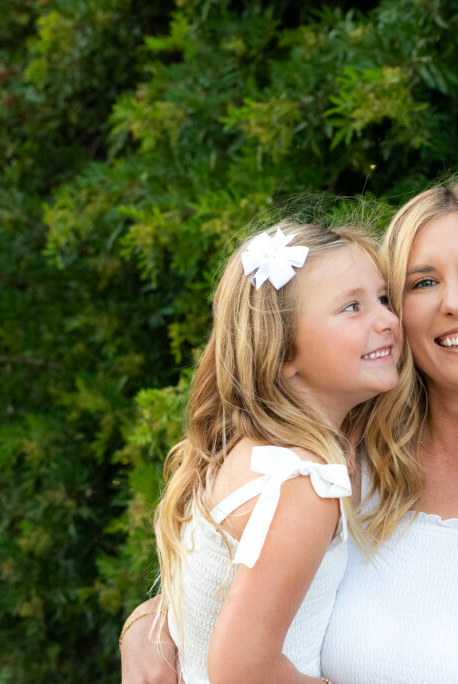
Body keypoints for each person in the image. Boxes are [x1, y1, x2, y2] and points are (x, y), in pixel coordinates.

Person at [120, 182, 458, 683]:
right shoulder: (339, 455)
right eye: (421, 282)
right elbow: (221, 593)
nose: (454, 301)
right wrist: (145, 628)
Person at [143, 222, 399, 683]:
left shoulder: (254, 450)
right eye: (352, 307)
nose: (388, 320)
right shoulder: (302, 483)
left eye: (383, 299)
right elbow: (241, 670)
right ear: (283, 354)